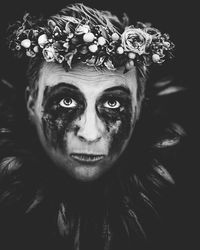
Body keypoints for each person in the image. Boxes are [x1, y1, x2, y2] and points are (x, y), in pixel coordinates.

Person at [0, 3, 186, 250]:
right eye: (66, 101)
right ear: (31, 103)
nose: (90, 133)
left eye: (112, 102)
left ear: (139, 106)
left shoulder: (183, 209)